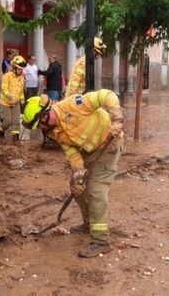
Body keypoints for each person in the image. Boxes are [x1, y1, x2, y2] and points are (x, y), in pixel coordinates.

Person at [22, 89, 124, 258]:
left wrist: (117, 119)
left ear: (47, 111)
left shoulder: (74, 104)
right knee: (77, 186)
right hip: (88, 152)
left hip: (109, 145)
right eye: (39, 127)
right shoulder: (53, 131)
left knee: (96, 191)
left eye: (41, 123)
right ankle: (89, 223)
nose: (42, 128)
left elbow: (106, 95)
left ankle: (101, 241)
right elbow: (71, 152)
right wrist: (78, 172)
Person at [0, 56, 26, 143]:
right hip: (5, 102)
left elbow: (21, 91)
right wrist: (11, 97)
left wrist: (22, 100)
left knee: (16, 121)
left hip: (16, 103)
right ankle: (1, 132)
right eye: (19, 69)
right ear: (14, 67)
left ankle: (16, 139)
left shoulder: (21, 77)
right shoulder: (6, 76)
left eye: (22, 69)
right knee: (8, 121)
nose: (21, 71)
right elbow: (4, 90)